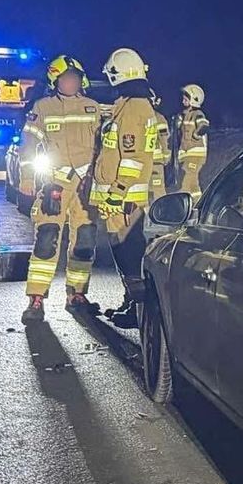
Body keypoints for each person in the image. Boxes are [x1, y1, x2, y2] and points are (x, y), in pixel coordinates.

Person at [20, 55, 104, 323]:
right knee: (47, 238)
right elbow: (27, 145)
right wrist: (26, 178)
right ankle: (36, 299)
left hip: (86, 185)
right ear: (55, 81)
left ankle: (77, 294)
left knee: (85, 239)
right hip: (55, 183)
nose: (70, 82)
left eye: (74, 78)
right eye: (65, 79)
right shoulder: (43, 107)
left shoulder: (93, 108)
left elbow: (106, 146)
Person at [91, 48, 157, 329]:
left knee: (128, 254)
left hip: (124, 200)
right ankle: (132, 303)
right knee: (126, 252)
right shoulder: (132, 105)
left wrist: (117, 193)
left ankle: (139, 311)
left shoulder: (133, 109)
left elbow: (132, 158)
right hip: (124, 199)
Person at [174, 83, 211, 200]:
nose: (183, 101)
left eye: (186, 99)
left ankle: (181, 204)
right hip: (187, 154)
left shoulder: (198, 114)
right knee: (193, 185)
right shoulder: (185, 114)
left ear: (194, 100)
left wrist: (196, 135)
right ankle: (198, 203)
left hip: (195, 155)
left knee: (187, 181)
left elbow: (204, 126)